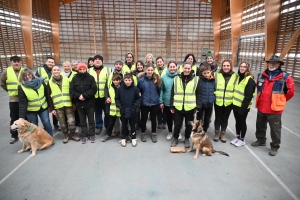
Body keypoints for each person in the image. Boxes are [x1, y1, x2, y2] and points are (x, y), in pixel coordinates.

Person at [251, 55, 295, 156]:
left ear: (279, 64)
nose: (271, 64)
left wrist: (281, 100)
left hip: (275, 109)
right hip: (262, 106)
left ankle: (275, 146)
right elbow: (258, 87)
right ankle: (261, 140)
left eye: (274, 62)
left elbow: (291, 92)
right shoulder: (262, 75)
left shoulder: (285, 77)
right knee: (260, 126)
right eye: (270, 62)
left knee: (275, 129)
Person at [170, 62, 201, 148]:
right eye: (185, 68)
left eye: (188, 68)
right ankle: (175, 138)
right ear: (182, 69)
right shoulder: (176, 79)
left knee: (188, 125)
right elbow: (172, 92)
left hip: (190, 108)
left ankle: (187, 138)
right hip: (178, 107)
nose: (187, 70)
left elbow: (199, 94)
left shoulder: (196, 79)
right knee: (177, 124)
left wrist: (198, 106)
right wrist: (171, 106)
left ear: (191, 69)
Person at [48, 66, 80, 143]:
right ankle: (65, 135)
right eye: (54, 70)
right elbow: (48, 96)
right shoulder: (49, 82)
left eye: (57, 70)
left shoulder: (66, 80)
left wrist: (73, 103)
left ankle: (73, 134)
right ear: (52, 72)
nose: (56, 71)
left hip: (68, 104)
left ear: (60, 71)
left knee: (71, 121)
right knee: (62, 122)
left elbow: (71, 92)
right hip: (58, 106)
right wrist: (52, 108)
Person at [18, 69, 53, 136]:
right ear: (22, 77)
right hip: (31, 110)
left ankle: (50, 137)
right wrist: (21, 116)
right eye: (25, 76)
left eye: (29, 74)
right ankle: (34, 139)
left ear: (32, 74)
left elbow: (47, 95)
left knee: (46, 123)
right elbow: (22, 102)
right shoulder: (21, 87)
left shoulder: (41, 82)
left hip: (43, 107)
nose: (27, 77)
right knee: (33, 126)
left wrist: (50, 106)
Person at [70, 63, 97, 144]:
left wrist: (84, 95)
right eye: (80, 69)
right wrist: (78, 96)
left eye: (83, 69)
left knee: (91, 120)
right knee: (82, 121)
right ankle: (84, 135)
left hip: (89, 103)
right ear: (78, 70)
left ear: (86, 69)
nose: (82, 71)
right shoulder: (74, 79)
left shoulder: (91, 78)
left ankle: (92, 134)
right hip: (79, 104)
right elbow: (71, 90)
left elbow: (94, 89)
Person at [231, 62, 256, 147]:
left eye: (244, 67)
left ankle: (242, 139)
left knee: (242, 122)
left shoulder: (250, 80)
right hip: (236, 105)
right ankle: (237, 137)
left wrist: (243, 108)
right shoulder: (238, 78)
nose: (242, 68)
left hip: (243, 107)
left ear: (248, 68)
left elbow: (248, 97)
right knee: (237, 121)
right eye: (241, 66)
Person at [0, 55, 24, 144]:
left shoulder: (24, 70)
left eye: (18, 61)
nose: (16, 63)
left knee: (25, 117)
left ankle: (25, 134)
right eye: (15, 61)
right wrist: (10, 91)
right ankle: (14, 135)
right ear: (11, 62)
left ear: (20, 62)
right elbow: (2, 84)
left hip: (24, 99)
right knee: (14, 117)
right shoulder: (6, 71)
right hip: (13, 99)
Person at [214, 60, 238, 143]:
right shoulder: (217, 75)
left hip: (229, 102)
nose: (226, 67)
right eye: (224, 65)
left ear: (231, 66)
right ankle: (217, 133)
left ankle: (223, 133)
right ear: (222, 66)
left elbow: (236, 89)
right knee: (218, 117)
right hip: (218, 101)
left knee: (225, 118)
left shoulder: (235, 76)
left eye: (228, 65)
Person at [35, 57, 60, 131]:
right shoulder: (40, 70)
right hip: (43, 93)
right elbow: (36, 81)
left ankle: (56, 124)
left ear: (54, 64)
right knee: (44, 110)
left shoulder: (54, 71)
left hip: (52, 93)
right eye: (49, 62)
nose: (50, 63)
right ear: (46, 62)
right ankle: (46, 125)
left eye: (52, 62)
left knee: (54, 109)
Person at [116, 73, 141, 147]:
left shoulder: (135, 89)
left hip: (132, 110)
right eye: (126, 80)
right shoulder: (119, 89)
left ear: (132, 80)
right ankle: (123, 137)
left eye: (129, 80)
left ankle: (133, 137)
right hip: (123, 110)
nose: (128, 82)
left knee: (132, 125)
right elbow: (117, 99)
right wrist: (120, 107)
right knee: (124, 125)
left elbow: (139, 99)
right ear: (123, 80)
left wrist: (135, 106)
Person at [138, 63, 161, 143]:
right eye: (148, 70)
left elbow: (159, 91)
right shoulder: (141, 80)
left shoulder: (156, 79)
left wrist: (158, 100)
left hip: (154, 103)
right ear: (145, 70)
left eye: (151, 70)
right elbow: (139, 91)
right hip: (144, 103)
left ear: (153, 70)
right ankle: (143, 132)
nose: (150, 71)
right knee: (144, 119)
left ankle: (153, 133)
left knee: (154, 119)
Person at [88, 55, 111, 135]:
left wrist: (108, 96)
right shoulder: (89, 71)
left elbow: (110, 84)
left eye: (99, 59)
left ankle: (107, 126)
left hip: (105, 97)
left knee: (107, 112)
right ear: (93, 61)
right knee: (97, 113)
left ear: (102, 61)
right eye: (96, 59)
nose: (97, 61)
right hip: (94, 97)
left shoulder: (108, 70)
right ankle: (99, 126)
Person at [104, 60, 125, 137]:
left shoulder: (125, 74)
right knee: (114, 118)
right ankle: (116, 130)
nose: (118, 66)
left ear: (122, 66)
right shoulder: (110, 75)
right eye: (116, 64)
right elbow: (106, 87)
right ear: (114, 65)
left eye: (120, 64)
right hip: (112, 100)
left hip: (122, 101)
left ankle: (125, 132)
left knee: (124, 118)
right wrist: (107, 97)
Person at [159, 60, 178, 140]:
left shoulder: (180, 76)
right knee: (169, 119)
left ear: (176, 67)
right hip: (167, 102)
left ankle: (177, 132)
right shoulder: (164, 78)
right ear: (168, 68)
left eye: (174, 67)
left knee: (177, 119)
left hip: (177, 102)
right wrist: (161, 101)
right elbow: (161, 90)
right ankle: (170, 132)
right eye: (171, 67)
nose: (172, 68)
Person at [101, 75, 122, 142]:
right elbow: (108, 94)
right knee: (111, 123)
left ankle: (125, 135)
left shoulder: (123, 87)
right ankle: (109, 134)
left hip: (121, 108)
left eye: (117, 80)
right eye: (114, 80)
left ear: (120, 80)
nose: (115, 82)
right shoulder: (110, 88)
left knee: (124, 123)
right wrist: (107, 98)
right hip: (113, 108)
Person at [62, 61, 80, 134]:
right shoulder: (60, 75)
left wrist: (74, 101)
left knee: (76, 112)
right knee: (67, 114)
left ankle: (77, 126)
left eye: (68, 66)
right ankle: (68, 127)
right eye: (65, 66)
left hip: (74, 97)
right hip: (65, 98)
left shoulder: (75, 74)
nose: (67, 68)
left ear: (71, 67)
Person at [196, 63, 215, 133]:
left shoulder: (213, 81)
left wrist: (213, 98)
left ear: (211, 72)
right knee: (199, 118)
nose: (207, 75)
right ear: (202, 73)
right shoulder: (199, 80)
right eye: (205, 73)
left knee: (207, 119)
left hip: (209, 104)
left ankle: (205, 131)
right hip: (201, 104)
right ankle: (198, 130)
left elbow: (215, 90)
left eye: (208, 73)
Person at [131, 60, 145, 130]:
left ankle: (143, 124)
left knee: (143, 111)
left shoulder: (145, 73)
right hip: (135, 93)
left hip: (144, 93)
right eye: (138, 65)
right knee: (136, 110)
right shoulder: (133, 74)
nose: (139, 66)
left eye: (141, 65)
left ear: (143, 66)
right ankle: (137, 123)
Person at [155, 56, 168, 129]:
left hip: (165, 89)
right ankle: (159, 122)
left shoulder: (167, 69)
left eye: (160, 62)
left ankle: (164, 122)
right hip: (157, 89)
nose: (159, 63)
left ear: (163, 62)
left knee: (165, 107)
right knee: (158, 107)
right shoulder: (154, 70)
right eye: (158, 62)